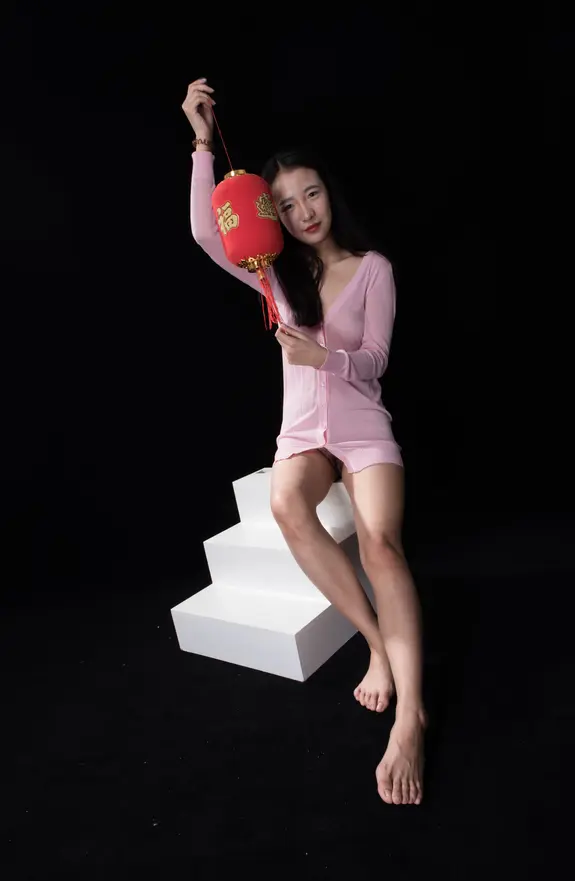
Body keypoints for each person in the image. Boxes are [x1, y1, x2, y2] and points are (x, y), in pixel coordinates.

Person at [182, 78, 427, 806]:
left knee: (381, 544)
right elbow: (206, 234)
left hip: (364, 429)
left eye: (310, 194)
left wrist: (325, 357)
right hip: (303, 438)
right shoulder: (275, 279)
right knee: (288, 503)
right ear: (274, 216)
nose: (303, 212)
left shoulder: (373, 268)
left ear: (329, 194)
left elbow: (376, 360)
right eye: (285, 204)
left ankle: (411, 716)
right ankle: (377, 644)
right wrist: (202, 143)